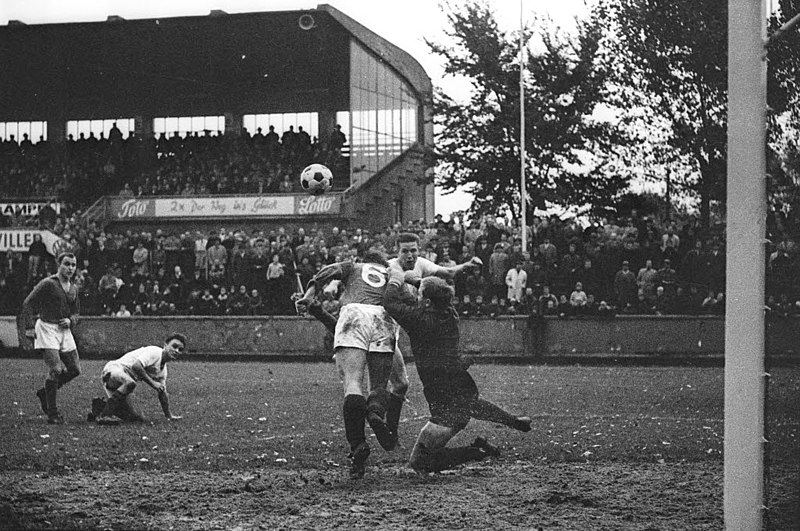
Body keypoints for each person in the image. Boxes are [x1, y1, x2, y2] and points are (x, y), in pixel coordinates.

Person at [384, 268, 531, 475]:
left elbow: (389, 303)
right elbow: (437, 294)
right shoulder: (450, 313)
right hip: (459, 383)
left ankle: (477, 451)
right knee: (468, 405)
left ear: (426, 302)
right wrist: (419, 281)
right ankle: (511, 424)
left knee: (419, 462)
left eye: (420, 295)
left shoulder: (420, 321)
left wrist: (396, 278)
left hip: (443, 399)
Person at [294, 250, 398, 479]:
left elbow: (327, 272)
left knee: (353, 382)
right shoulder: (392, 273)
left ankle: (358, 444)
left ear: (364, 260)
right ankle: (374, 413)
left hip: (354, 314)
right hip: (384, 317)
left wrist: (310, 293)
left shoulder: (353, 266)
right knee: (379, 385)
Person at [21, 252, 81, 424]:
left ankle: (45, 392)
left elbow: (77, 312)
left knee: (75, 370)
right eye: (67, 264)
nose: (70, 268)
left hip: (64, 330)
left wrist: (71, 320)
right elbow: (28, 303)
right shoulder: (48, 283)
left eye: (73, 265)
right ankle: (53, 413)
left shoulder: (74, 288)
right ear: (59, 264)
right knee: (56, 370)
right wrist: (29, 327)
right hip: (47, 327)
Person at [92, 333, 187, 425]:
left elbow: (162, 392)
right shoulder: (155, 352)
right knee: (130, 383)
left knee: (136, 418)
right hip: (113, 370)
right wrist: (153, 383)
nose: (177, 350)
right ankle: (104, 415)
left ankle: (100, 407)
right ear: (165, 345)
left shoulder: (162, 370)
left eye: (180, 349)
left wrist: (169, 415)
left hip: (122, 384)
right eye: (174, 346)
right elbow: (136, 366)